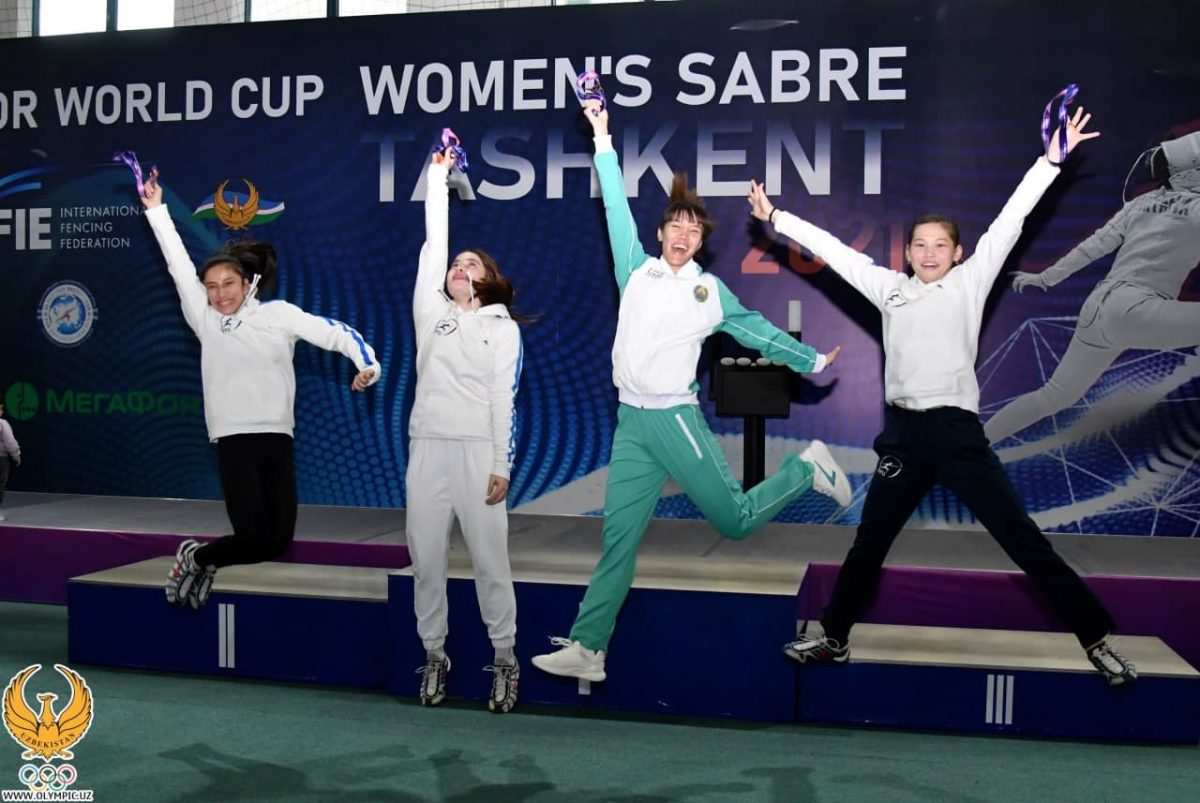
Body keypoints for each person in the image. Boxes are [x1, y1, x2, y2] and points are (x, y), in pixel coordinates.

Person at [753, 103, 1137, 686]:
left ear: (957, 253)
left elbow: (1011, 221)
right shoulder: (888, 289)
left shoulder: (969, 283)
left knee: (1021, 539)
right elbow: (833, 251)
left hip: (958, 436)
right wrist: (777, 216)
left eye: (940, 246)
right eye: (919, 245)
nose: (929, 253)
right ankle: (834, 638)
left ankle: (1098, 640)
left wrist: (1050, 162)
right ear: (907, 253)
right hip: (904, 438)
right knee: (868, 544)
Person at [531, 100, 851, 684]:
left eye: (693, 229)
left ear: (701, 241)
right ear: (659, 234)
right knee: (618, 539)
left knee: (734, 522)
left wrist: (809, 359)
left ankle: (807, 469)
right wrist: (602, 136)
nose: (683, 234)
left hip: (675, 420)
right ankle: (589, 646)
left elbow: (757, 330)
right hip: (631, 424)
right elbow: (614, 206)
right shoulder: (635, 269)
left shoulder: (709, 292)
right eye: (675, 226)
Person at [139, 176, 380, 612]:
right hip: (234, 442)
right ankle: (198, 558)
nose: (219, 294)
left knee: (277, 541)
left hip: (277, 439)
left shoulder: (278, 315)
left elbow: (335, 333)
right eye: (211, 287)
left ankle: (201, 558)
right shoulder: (206, 321)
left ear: (248, 282)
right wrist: (156, 209)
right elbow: (176, 261)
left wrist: (367, 365)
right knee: (252, 536)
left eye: (227, 284)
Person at [406, 143, 526, 714]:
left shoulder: (503, 329)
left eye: (471, 264)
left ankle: (505, 659)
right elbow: (434, 244)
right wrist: (437, 175)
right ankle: (435, 654)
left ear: (490, 280)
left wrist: (501, 464)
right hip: (427, 450)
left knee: (489, 562)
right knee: (426, 560)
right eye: (456, 264)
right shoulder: (430, 313)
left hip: (479, 455)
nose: (458, 267)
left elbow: (504, 399)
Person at [985, 129, 1200, 444]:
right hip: (1135, 311)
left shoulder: (1140, 204)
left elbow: (1093, 247)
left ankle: (974, 444)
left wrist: (1045, 278)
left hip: (1097, 310)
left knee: (1053, 396)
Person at [0, 401, 21, 522]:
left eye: (1, 409)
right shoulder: (2, 424)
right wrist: (16, 455)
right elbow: (10, 442)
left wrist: (15, 454)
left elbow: (10, 442)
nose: (1, 412)